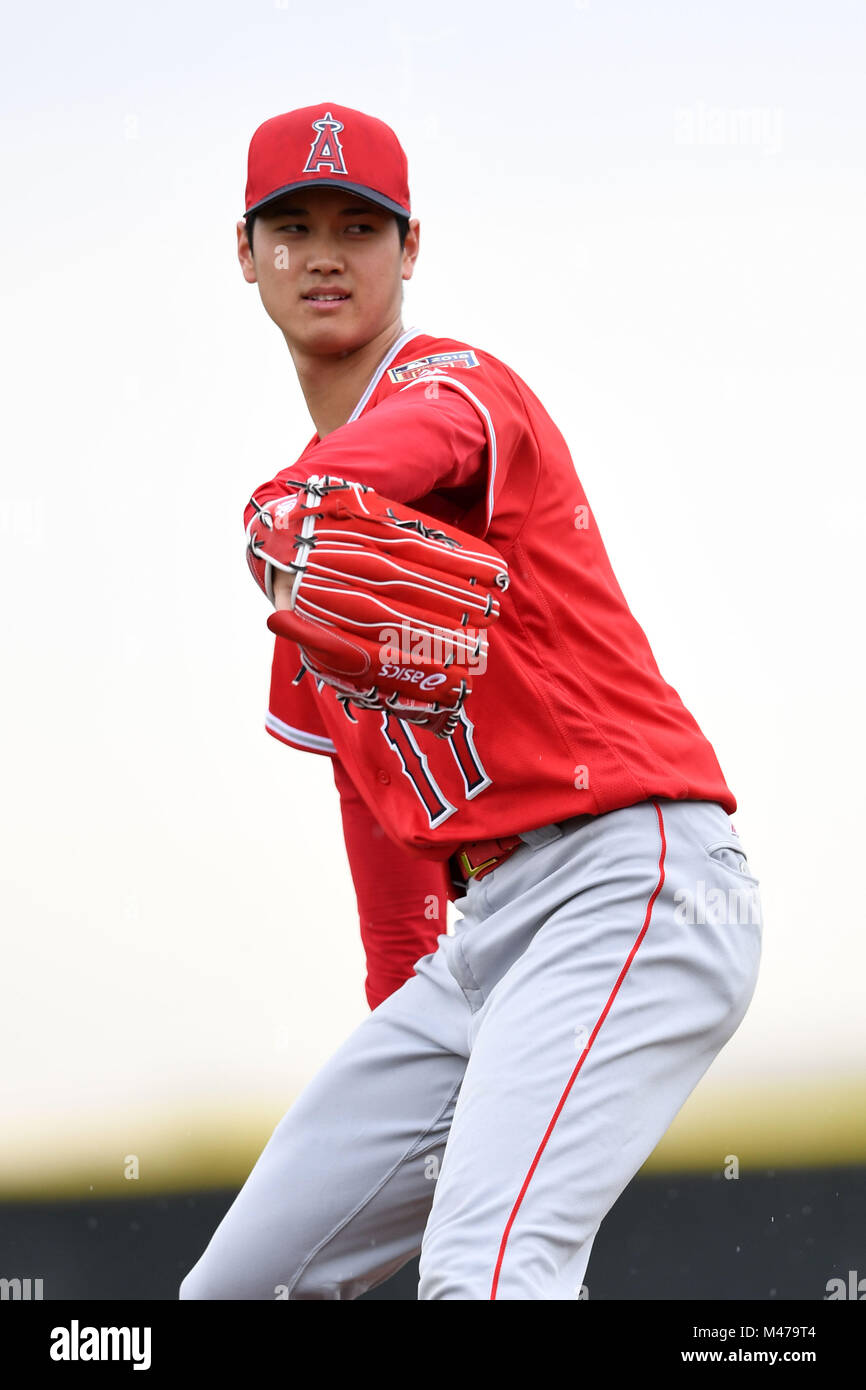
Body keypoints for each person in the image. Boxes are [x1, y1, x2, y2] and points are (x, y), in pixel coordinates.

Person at [179, 101, 763, 1301]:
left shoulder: (458, 387)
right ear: (245, 253)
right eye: (292, 226)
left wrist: (305, 499)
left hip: (630, 877)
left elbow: (425, 439)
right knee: (233, 1292)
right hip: (485, 935)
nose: (326, 253)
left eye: (360, 225)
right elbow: (376, 815)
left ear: (410, 248)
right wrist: (411, 1044)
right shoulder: (308, 567)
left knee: (489, 1272)